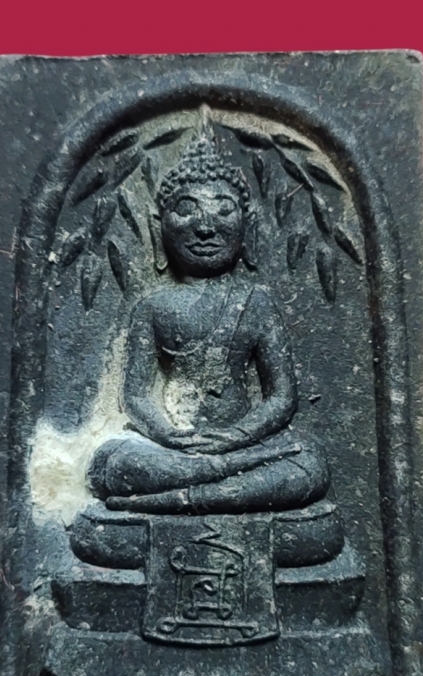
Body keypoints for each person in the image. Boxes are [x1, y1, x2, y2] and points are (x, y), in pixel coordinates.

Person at [88, 134, 329, 514]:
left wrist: (235, 438)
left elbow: (282, 397)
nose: (205, 227)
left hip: (243, 445)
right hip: (174, 449)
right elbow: (136, 396)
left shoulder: (257, 302)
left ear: (247, 225)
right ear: (158, 226)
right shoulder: (152, 306)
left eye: (223, 210)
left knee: (309, 463)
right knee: (113, 463)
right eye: (187, 209)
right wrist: (169, 436)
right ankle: (215, 492)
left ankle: (176, 501)